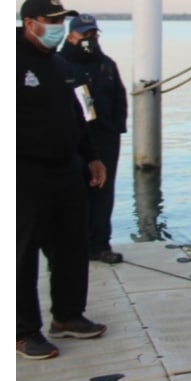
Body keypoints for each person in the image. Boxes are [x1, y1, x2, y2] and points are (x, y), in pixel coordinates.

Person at [16, 0, 108, 360]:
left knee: (72, 246)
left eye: (60, 21)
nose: (56, 27)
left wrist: (92, 157)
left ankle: (68, 315)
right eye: (51, 21)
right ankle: (23, 331)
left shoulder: (59, 64)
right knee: (22, 254)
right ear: (30, 23)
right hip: (25, 172)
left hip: (67, 168)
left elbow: (78, 114)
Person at [60, 14, 129, 264]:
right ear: (71, 36)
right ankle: (74, 245)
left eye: (93, 35)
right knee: (74, 194)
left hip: (104, 138)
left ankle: (100, 244)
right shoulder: (61, 64)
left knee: (103, 192)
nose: (89, 40)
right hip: (74, 142)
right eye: (84, 35)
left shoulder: (106, 65)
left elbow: (120, 97)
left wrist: (116, 128)